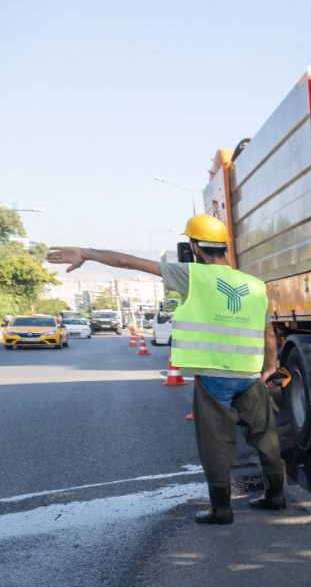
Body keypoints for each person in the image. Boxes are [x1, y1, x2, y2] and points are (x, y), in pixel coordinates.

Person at [48, 214, 286, 524]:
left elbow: (126, 261)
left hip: (214, 378)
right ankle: (275, 496)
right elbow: (269, 335)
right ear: (226, 247)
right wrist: (271, 368)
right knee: (266, 438)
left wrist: (87, 253)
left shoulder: (192, 275)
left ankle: (221, 509)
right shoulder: (255, 285)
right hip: (251, 377)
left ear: (193, 246)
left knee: (216, 445)